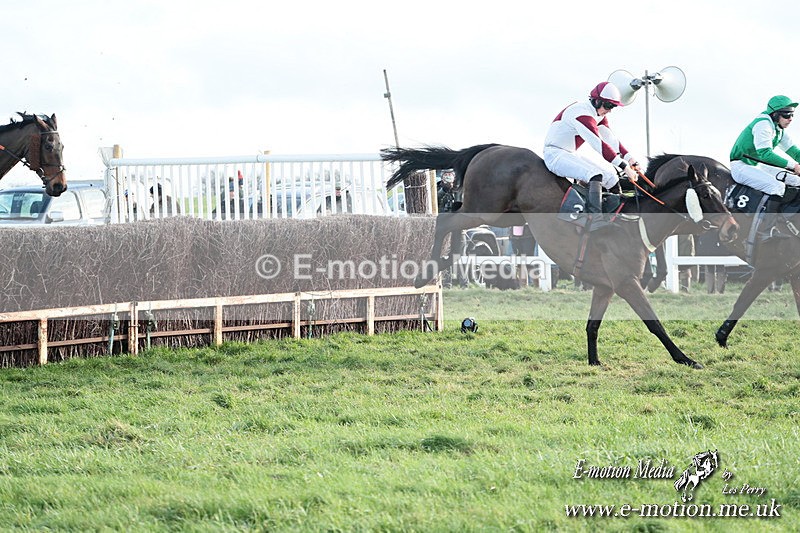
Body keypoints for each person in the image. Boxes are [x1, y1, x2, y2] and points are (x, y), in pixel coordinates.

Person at [543, 81, 640, 220]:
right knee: (595, 175)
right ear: (596, 101)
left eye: (613, 106)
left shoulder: (598, 115)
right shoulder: (582, 114)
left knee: (612, 178)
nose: (610, 110)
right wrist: (624, 167)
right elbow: (599, 144)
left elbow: (611, 140)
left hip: (569, 154)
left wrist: (630, 159)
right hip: (555, 155)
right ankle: (595, 219)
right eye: (608, 105)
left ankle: (615, 216)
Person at [730, 95, 800, 213]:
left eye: (792, 114)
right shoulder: (763, 125)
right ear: (775, 114)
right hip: (741, 166)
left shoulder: (779, 129)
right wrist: (794, 166)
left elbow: (795, 152)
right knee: (777, 187)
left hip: (758, 167)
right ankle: (767, 224)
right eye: (787, 115)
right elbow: (765, 154)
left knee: (797, 181)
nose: (790, 119)